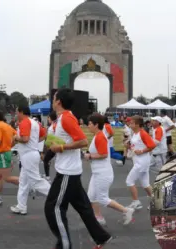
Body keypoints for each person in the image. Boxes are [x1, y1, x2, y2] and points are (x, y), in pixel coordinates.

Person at [45, 88, 112, 249]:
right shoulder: (62, 119)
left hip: (67, 172)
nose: (52, 101)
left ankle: (64, 245)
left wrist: (61, 148)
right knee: (84, 208)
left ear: (59, 101)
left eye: (53, 98)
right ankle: (101, 237)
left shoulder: (67, 118)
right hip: (69, 170)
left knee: (53, 208)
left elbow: (82, 141)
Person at [84, 114, 134, 226]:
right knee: (91, 195)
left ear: (96, 125)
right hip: (97, 172)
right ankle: (98, 218)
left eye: (90, 124)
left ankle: (126, 211)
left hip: (103, 174)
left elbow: (104, 154)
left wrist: (90, 156)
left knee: (102, 199)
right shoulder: (98, 136)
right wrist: (89, 154)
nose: (88, 126)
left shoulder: (100, 136)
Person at [10, 106, 50, 215]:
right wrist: (34, 142)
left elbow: (25, 139)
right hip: (31, 153)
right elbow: (43, 135)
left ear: (21, 112)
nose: (16, 114)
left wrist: (15, 138)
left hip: (28, 155)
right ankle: (21, 206)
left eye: (17, 112)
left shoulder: (24, 122)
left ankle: (55, 195)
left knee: (35, 181)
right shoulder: (35, 123)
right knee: (23, 181)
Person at [126, 115, 156, 210]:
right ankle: (156, 202)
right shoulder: (135, 133)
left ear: (138, 124)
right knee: (145, 184)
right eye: (130, 123)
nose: (130, 124)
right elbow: (136, 146)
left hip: (142, 162)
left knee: (129, 181)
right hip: (139, 161)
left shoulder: (142, 133)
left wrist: (142, 151)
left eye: (132, 123)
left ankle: (136, 202)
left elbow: (152, 145)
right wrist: (129, 147)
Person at [43, 111, 57, 182]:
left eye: (48, 117)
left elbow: (51, 138)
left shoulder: (52, 127)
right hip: (55, 146)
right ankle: (47, 176)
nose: (48, 119)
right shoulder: (55, 125)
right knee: (47, 160)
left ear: (51, 118)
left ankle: (47, 177)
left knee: (46, 160)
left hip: (54, 147)